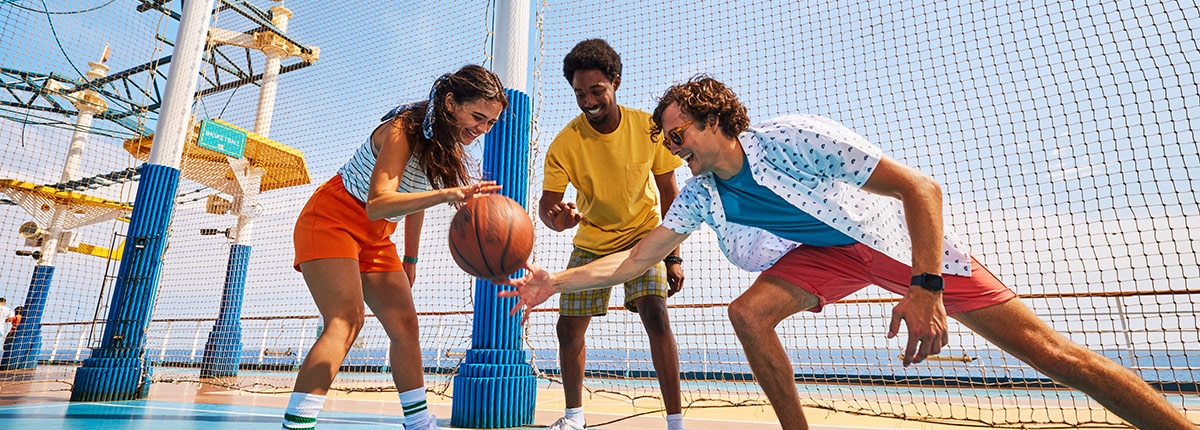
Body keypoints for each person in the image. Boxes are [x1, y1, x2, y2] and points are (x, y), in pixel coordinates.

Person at [501, 76, 1194, 430]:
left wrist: (925, 285)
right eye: (665, 139)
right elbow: (630, 260)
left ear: (713, 119)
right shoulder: (703, 195)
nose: (669, 146)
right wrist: (552, 281)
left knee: (1053, 357)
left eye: (676, 134)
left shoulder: (794, 138)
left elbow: (919, 189)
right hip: (820, 255)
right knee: (748, 315)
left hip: (888, 245)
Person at [285, 64, 508, 430]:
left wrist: (410, 258)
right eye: (478, 116)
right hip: (332, 218)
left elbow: (416, 200)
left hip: (377, 235)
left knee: (406, 325)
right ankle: (297, 425)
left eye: (490, 123)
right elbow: (378, 201)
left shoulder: (445, 144)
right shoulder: (403, 128)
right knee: (346, 320)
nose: (482, 129)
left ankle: (419, 423)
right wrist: (448, 193)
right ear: (451, 103)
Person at [538, 39, 686, 430]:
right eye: (579, 93)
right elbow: (547, 207)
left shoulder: (648, 129)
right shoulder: (565, 143)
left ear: (616, 82)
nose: (588, 100)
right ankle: (573, 418)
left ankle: (675, 421)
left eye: (596, 90)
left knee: (656, 315)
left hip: (644, 236)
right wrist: (559, 219)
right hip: (593, 241)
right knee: (567, 330)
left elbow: (670, 193)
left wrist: (672, 255)